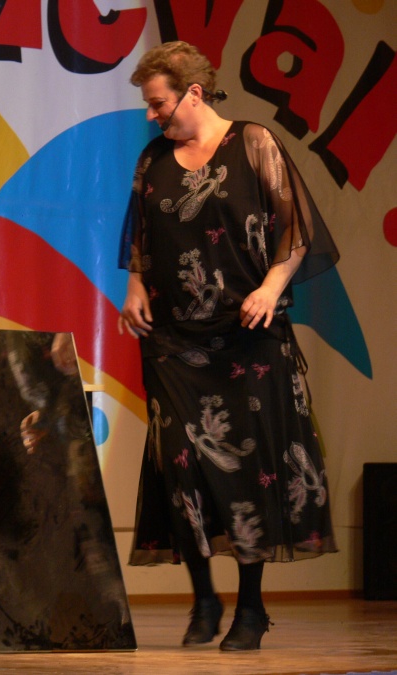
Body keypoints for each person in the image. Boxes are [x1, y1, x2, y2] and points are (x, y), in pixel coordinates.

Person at [117, 42, 339, 651]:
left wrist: (271, 288)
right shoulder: (152, 159)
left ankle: (250, 608)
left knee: (248, 470)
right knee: (179, 465)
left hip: (246, 335)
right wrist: (134, 286)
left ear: (193, 93)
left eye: (157, 103)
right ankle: (204, 598)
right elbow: (141, 233)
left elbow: (296, 227)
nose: (151, 115)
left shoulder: (254, 143)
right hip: (172, 340)